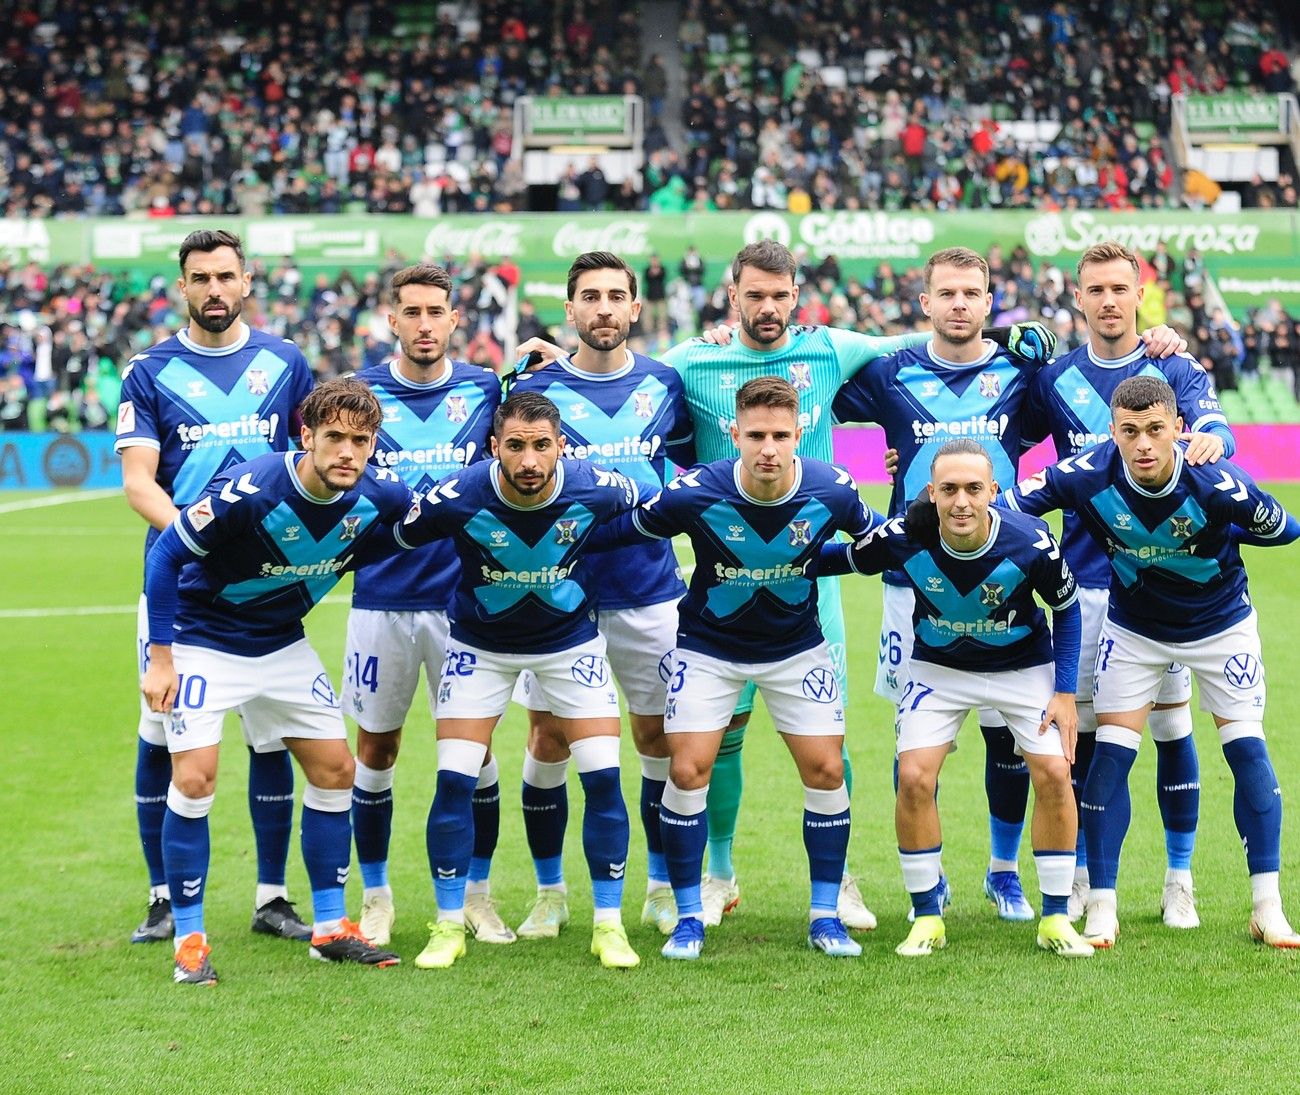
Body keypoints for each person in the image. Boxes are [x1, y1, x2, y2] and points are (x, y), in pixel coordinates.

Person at [518, 239, 1053, 931]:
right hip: (725, 582)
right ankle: (718, 874)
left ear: (796, 295)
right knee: (722, 732)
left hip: (809, 580)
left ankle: (844, 881)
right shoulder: (693, 361)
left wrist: (1007, 333)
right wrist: (551, 362)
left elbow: (927, 334)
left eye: (779, 295)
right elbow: (627, 373)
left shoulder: (828, 349)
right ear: (732, 296)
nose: (767, 308)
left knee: (828, 741)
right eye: (754, 296)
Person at [1003, 375, 1300, 949]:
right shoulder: (1085, 474)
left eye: (1156, 431)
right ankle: (1104, 909)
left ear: (1178, 431)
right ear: (1112, 432)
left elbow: (1284, 527)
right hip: (1135, 631)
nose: (1143, 444)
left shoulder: (1216, 481)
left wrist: (1229, 524)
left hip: (1221, 628)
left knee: (1246, 749)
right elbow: (1008, 507)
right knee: (1111, 757)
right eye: (1130, 431)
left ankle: (1268, 906)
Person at [594, 377, 881, 960]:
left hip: (796, 648)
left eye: (780, 435)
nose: (768, 449)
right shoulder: (696, 491)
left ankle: (825, 915)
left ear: (800, 435)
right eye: (756, 435)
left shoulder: (833, 488)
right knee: (688, 769)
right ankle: (688, 917)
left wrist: (904, 530)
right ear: (734, 434)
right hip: (708, 649)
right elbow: (625, 530)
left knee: (827, 771)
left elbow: (875, 544)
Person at [140, 379, 412, 983]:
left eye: (361, 441)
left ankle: (330, 928)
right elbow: (165, 557)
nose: (348, 452)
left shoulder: (382, 498)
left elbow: (425, 524)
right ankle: (189, 940)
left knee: (337, 770)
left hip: (281, 643)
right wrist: (161, 658)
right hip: (203, 640)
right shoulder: (253, 489)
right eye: (335, 437)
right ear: (306, 436)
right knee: (193, 777)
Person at [1020, 240, 1235, 926]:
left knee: (1172, 729)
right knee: (1081, 735)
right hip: (1083, 582)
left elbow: (1215, 430)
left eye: (1120, 287)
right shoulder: (1054, 380)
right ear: (1077, 298)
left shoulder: (1170, 363)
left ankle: (1179, 877)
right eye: (1096, 289)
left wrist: (1213, 442)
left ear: (1139, 291)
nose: (1109, 300)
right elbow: (1002, 432)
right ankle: (1083, 873)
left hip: (1159, 581)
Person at [393, 390, 643, 970]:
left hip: (569, 645)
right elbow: (398, 532)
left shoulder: (598, 487)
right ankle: (448, 925)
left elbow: (656, 509)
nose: (529, 461)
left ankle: (608, 924)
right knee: (454, 780)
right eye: (515, 446)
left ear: (561, 446)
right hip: (479, 647)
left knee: (603, 777)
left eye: (540, 446)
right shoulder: (458, 495)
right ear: (493, 448)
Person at [115, 228, 315, 946]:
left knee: (272, 734)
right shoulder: (149, 371)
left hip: (266, 585)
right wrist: (190, 540)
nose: (214, 290)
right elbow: (139, 479)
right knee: (163, 738)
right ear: (183, 288)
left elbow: (313, 457)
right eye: (201, 278)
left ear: (247, 282)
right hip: (178, 586)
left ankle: (271, 895)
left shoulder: (286, 362)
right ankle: (162, 896)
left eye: (226, 276)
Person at [821, 439, 1091, 958]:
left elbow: (1068, 607)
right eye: (948, 490)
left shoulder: (1032, 541)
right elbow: (847, 559)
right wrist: (781, 554)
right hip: (938, 669)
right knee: (915, 775)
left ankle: (1056, 917)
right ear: (931, 493)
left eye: (973, 489)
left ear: (994, 491)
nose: (961, 502)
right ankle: (926, 917)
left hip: (1022, 667)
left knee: (1055, 774)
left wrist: (1063, 691)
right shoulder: (905, 536)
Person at [506, 252, 694, 939]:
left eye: (618, 296)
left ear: (636, 309)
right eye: (591, 296)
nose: (606, 308)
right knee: (548, 736)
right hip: (557, 592)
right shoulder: (534, 389)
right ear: (571, 309)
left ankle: (661, 887)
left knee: (657, 736)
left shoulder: (664, 384)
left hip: (649, 591)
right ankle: (551, 892)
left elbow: (694, 464)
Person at [344, 263, 503, 948]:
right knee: (376, 748)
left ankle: (477, 893)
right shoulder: (359, 396)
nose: (425, 324)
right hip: (380, 598)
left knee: (475, 754)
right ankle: (376, 893)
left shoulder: (483, 388)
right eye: (412, 311)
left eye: (437, 311)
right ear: (392, 318)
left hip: (462, 602)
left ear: (455, 319)